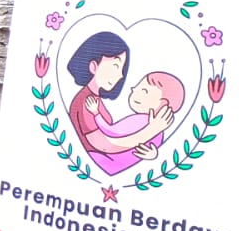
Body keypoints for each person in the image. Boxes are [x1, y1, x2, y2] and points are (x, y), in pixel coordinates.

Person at [64, 32, 173, 172]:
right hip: (97, 162)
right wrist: (152, 130)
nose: (121, 75)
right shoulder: (86, 101)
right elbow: (104, 145)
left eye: (122, 69)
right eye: (116, 66)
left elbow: (116, 135)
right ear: (93, 66)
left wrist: (153, 153)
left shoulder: (95, 100)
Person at [83, 71, 184, 174]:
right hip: (122, 166)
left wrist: (96, 113)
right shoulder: (159, 131)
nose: (134, 89)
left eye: (144, 91)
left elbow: (110, 132)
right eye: (137, 87)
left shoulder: (140, 121)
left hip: (108, 161)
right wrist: (153, 155)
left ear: (162, 104)